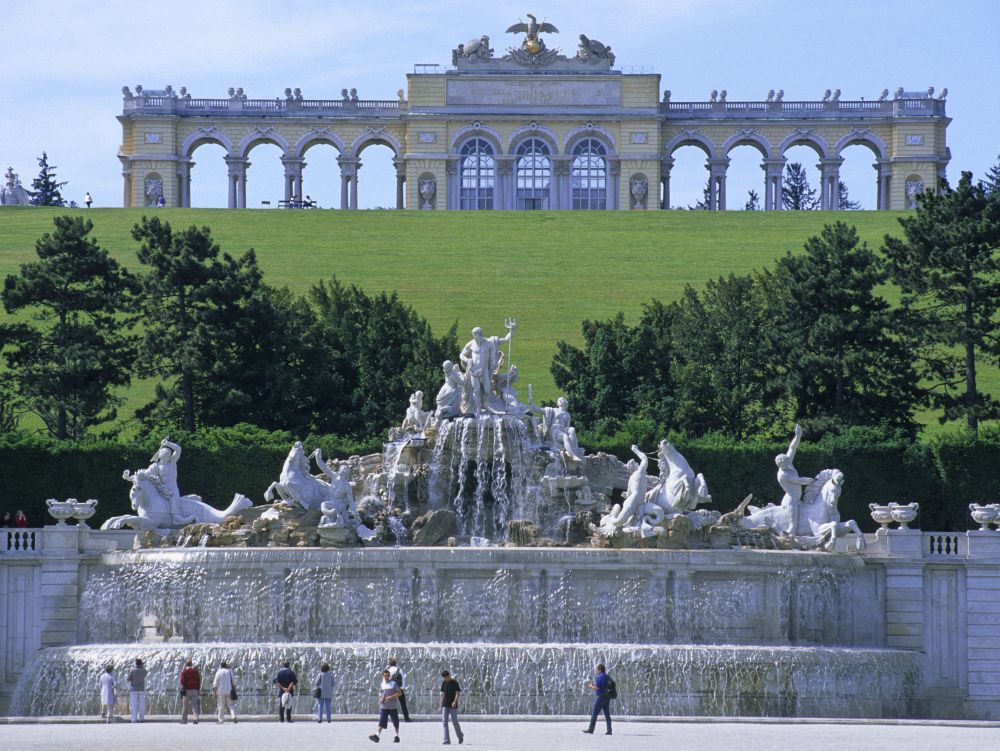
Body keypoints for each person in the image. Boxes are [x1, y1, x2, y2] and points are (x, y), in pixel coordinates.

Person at [775, 424, 812, 536]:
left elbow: (792, 448)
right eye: (784, 464)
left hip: (797, 495)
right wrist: (812, 481)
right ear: (780, 465)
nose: (787, 465)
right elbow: (799, 481)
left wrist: (798, 436)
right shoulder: (782, 474)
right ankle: (791, 531)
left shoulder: (788, 463)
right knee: (793, 518)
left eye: (787, 462)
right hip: (791, 498)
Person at [368, 669, 401, 744]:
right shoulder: (382, 684)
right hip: (384, 706)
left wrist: (391, 697)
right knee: (382, 721)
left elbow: (399, 693)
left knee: (395, 722)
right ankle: (377, 736)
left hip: (393, 707)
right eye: (385, 676)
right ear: (383, 676)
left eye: (387, 675)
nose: (386, 677)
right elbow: (382, 693)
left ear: (389, 676)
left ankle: (397, 736)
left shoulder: (393, 683)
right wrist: (381, 698)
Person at [583, 663, 612, 735]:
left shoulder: (600, 676)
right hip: (607, 698)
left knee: (594, 713)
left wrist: (591, 686)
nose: (596, 671)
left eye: (597, 670)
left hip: (601, 698)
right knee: (607, 715)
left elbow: (597, 688)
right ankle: (609, 730)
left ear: (599, 670)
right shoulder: (607, 676)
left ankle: (591, 729)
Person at [440, 669, 464, 745]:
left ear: (449, 676)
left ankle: (460, 736)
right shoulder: (444, 683)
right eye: (443, 678)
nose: (445, 679)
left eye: (445, 677)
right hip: (445, 705)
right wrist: (440, 704)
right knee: (444, 722)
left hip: (453, 706)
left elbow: (457, 693)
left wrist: (455, 701)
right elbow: (443, 694)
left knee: (455, 722)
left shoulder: (455, 683)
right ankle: (446, 740)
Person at [212, 659, 238, 724]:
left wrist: (214, 693)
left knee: (221, 706)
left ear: (221, 666)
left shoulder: (218, 672)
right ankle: (233, 716)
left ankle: (221, 720)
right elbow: (234, 682)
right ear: (226, 666)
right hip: (229, 690)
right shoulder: (229, 672)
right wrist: (234, 688)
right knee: (231, 705)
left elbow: (215, 684)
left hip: (220, 691)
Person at [386, 658, 411, 722]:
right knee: (403, 704)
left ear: (389, 664)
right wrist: (402, 688)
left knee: (390, 704)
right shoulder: (399, 670)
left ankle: (391, 718)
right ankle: (406, 718)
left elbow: (385, 679)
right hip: (399, 689)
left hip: (390, 689)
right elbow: (403, 679)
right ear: (395, 664)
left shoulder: (387, 670)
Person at [179, 659, 201, 724]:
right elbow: (198, 681)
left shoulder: (184, 672)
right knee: (195, 705)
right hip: (194, 690)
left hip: (187, 691)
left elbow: (181, 682)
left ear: (186, 664)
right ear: (191, 664)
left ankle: (184, 720)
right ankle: (196, 718)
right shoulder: (196, 672)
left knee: (185, 706)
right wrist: (197, 689)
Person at [127, 658, 147, 723]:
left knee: (134, 704)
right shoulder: (144, 670)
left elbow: (128, 679)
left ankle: (134, 719)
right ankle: (142, 718)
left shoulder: (132, 670)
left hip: (133, 689)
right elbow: (145, 674)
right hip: (141, 689)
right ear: (141, 663)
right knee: (142, 704)